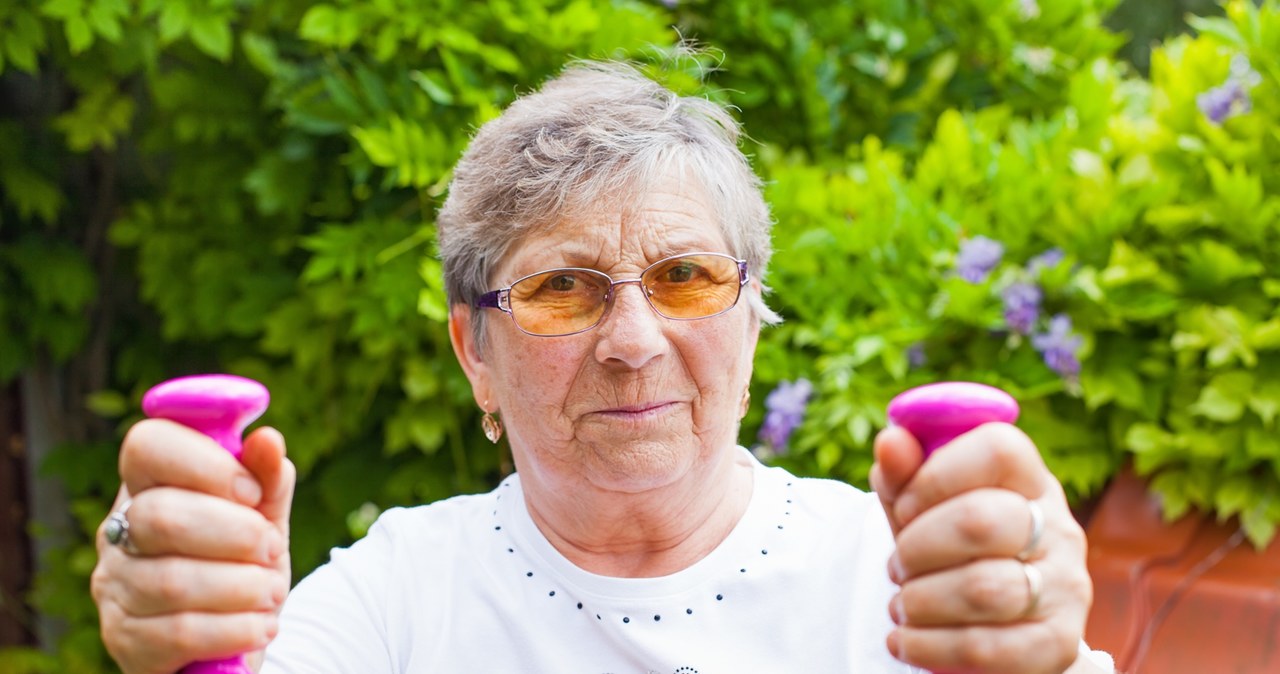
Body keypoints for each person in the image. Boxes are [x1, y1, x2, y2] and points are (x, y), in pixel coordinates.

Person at [91, 61, 1113, 674]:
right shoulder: (395, 599)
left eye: (682, 274)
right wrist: (178, 642)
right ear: (473, 353)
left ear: (751, 317)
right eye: (561, 289)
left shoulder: (900, 581)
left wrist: (1048, 654)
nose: (631, 341)